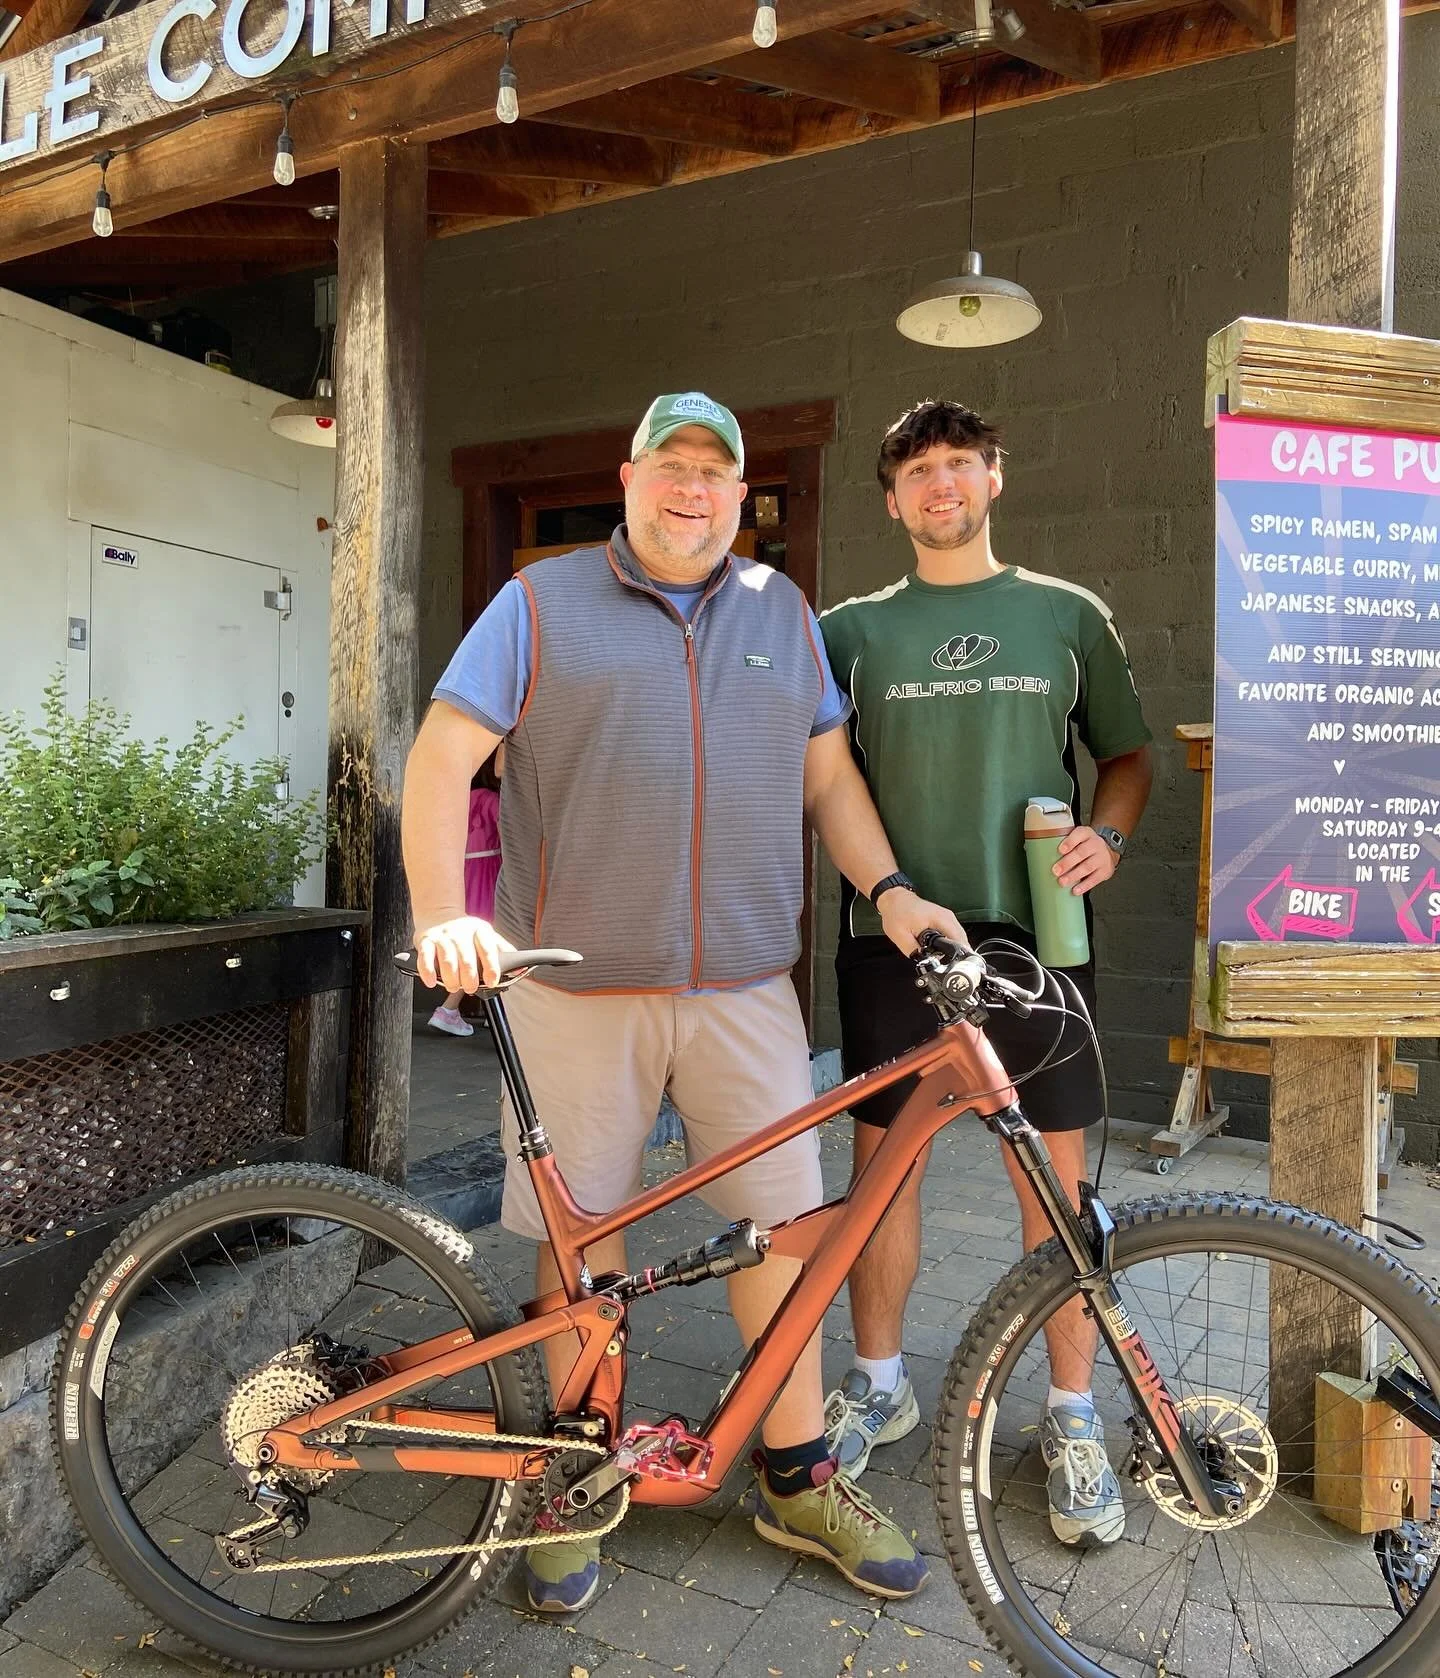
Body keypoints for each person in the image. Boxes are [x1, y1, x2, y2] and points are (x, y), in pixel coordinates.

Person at [402, 392, 968, 1612]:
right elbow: (443, 755)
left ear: (738, 492)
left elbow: (828, 774)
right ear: (629, 475)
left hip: (747, 991)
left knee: (786, 1232)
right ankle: (573, 1470)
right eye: (673, 465)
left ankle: (796, 1470)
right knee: (582, 1234)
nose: (693, 490)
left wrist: (894, 890)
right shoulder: (541, 603)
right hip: (572, 989)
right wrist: (446, 909)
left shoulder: (782, 612)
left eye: (717, 471)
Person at [819, 400, 1153, 1548]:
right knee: (883, 1177)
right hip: (894, 936)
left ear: (995, 478)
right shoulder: (847, 632)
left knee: (1053, 1192)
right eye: (917, 470)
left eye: (960, 464)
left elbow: (1130, 755)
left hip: (1038, 938)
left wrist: (1108, 836)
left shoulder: (1067, 616)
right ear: (891, 498)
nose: (940, 484)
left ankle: (1068, 1414)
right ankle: (876, 1381)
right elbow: (821, 784)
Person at [428, 756, 503, 1037]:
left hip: (462, 875)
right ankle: (448, 1008)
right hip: (488, 874)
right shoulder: (488, 799)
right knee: (488, 941)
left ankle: (493, 1009)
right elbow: (508, 828)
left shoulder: (457, 800)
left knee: (472, 942)